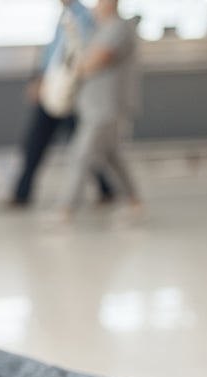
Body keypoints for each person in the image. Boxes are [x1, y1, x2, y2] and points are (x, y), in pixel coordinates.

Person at [7, 0, 113, 209]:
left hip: (70, 94)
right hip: (53, 90)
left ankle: (106, 189)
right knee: (35, 142)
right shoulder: (63, 17)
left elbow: (79, 55)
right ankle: (21, 193)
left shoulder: (84, 18)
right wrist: (40, 79)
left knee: (82, 147)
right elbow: (52, 54)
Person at [56, 0, 144, 223]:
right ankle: (135, 203)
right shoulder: (98, 29)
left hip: (107, 108)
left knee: (80, 156)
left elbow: (92, 62)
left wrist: (75, 65)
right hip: (93, 106)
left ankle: (65, 210)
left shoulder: (118, 28)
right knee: (113, 156)